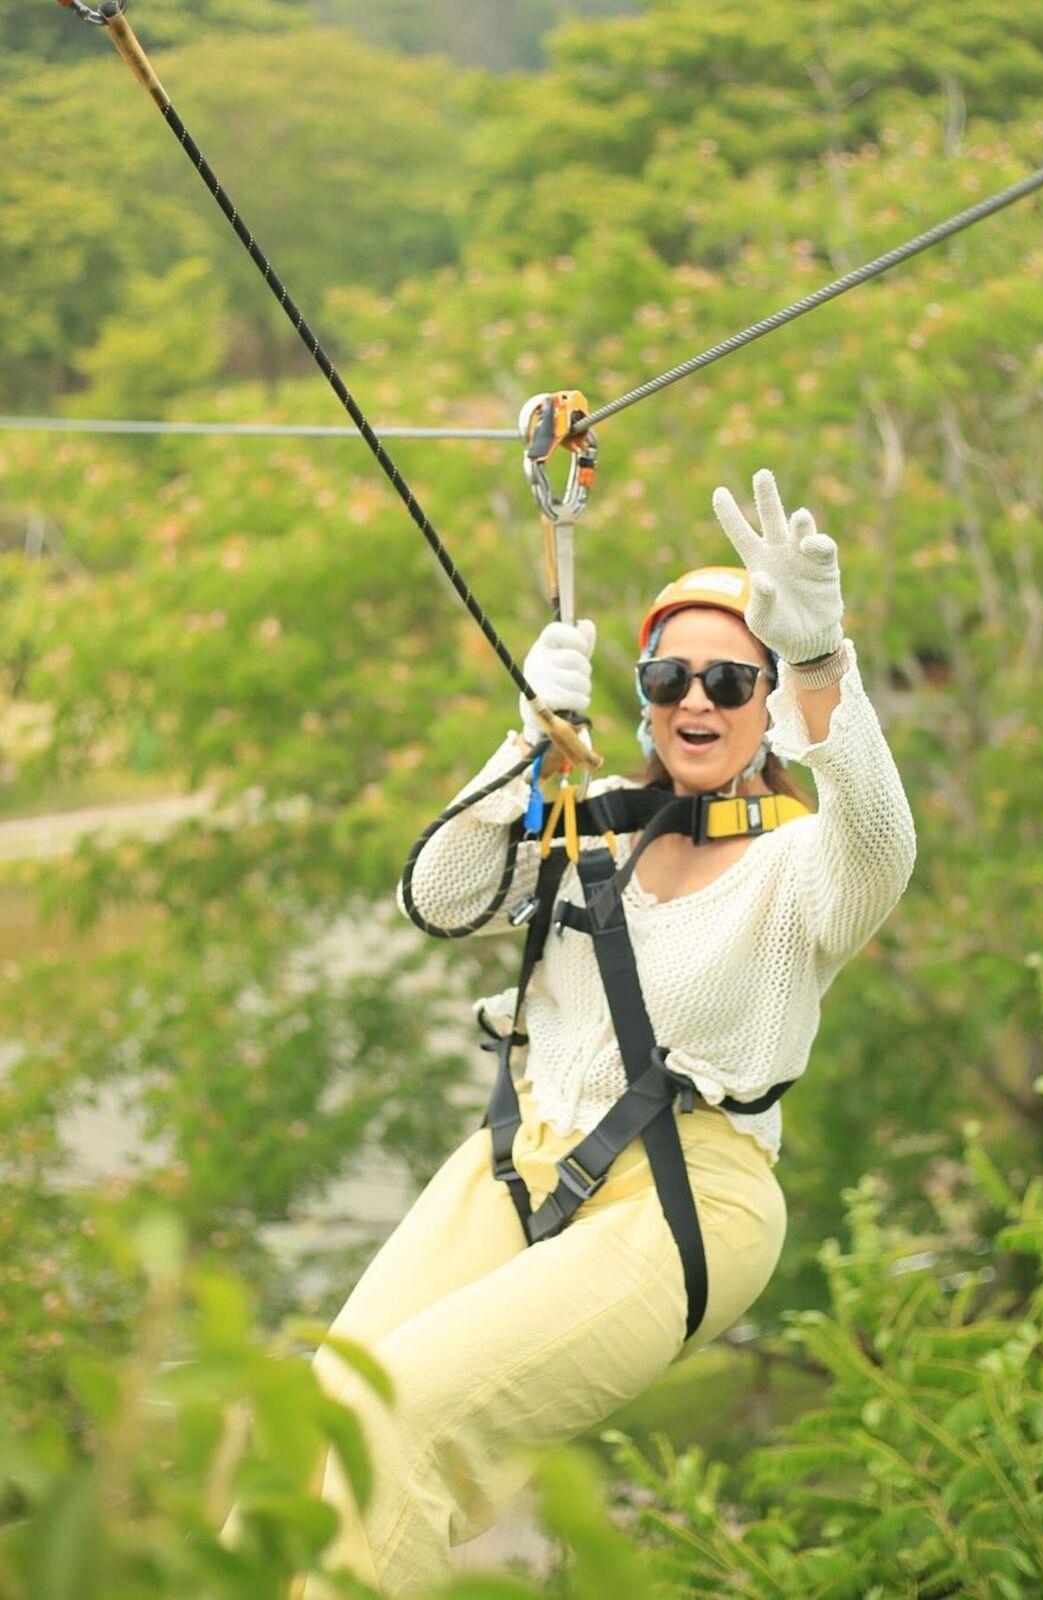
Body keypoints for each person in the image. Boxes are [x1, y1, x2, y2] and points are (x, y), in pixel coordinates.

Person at [282, 469, 916, 1596]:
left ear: (763, 702)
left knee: (405, 1424)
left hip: (687, 1199)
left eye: (731, 677)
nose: (697, 699)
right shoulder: (593, 830)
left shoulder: (796, 872)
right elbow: (435, 894)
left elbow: (879, 844)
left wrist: (823, 667)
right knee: (322, 1417)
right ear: (644, 696)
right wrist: (524, 740)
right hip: (520, 1156)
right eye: (669, 675)